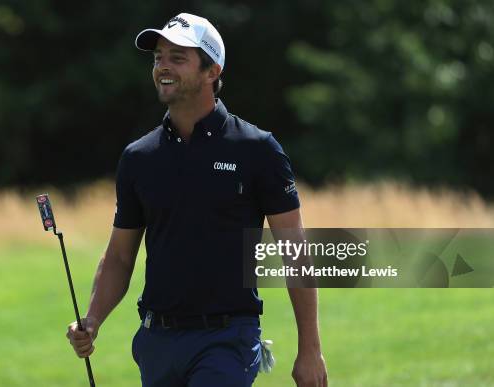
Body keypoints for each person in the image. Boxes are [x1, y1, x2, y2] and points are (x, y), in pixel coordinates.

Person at [66, 12, 328, 387]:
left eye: (178, 57)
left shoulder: (257, 149)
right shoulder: (139, 158)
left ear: (212, 71)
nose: (162, 67)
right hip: (156, 343)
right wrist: (92, 319)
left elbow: (295, 250)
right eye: (158, 57)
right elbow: (121, 256)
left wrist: (310, 350)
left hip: (227, 341)